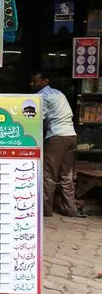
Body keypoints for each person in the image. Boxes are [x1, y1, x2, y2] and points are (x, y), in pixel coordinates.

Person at [29, 71, 85, 217]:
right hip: (71, 135)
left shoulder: (42, 97)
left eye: (35, 81)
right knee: (66, 176)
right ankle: (69, 209)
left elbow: (36, 120)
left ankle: (45, 210)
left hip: (57, 137)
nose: (32, 84)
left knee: (49, 175)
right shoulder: (58, 93)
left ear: (45, 81)